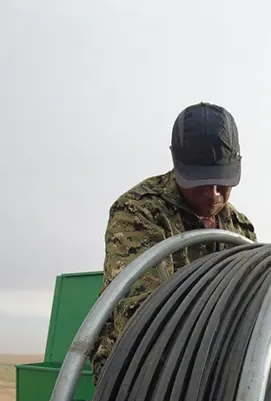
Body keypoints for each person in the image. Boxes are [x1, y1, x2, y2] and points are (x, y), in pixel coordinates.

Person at [90, 102, 257, 384]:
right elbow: (142, 315)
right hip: (138, 370)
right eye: (200, 182)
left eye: (222, 182)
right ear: (176, 164)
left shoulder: (240, 229)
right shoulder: (138, 211)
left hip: (217, 370)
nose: (213, 195)